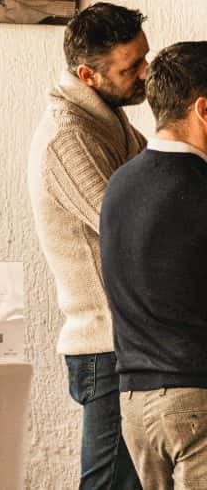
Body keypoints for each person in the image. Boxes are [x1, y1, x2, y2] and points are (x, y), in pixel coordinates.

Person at [28, 2, 149, 489]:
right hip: (105, 344)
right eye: (131, 68)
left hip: (126, 341)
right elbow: (133, 229)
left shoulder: (107, 117)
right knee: (109, 485)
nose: (145, 73)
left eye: (144, 58)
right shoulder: (68, 137)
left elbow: (157, 189)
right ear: (88, 75)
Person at [101, 42, 207, 488]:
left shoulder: (119, 184)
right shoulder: (200, 187)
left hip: (135, 404)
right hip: (195, 399)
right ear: (204, 110)